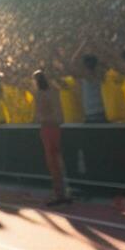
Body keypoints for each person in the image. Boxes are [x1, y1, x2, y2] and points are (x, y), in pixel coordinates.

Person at [33, 69, 69, 207]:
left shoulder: (42, 95)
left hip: (48, 128)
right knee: (57, 160)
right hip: (54, 127)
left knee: (53, 161)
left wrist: (41, 119)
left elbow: (41, 115)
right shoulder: (54, 92)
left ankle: (59, 192)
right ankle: (62, 191)